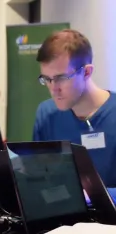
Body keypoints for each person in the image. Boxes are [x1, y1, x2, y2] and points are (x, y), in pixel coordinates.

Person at [32, 29, 116, 197]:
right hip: (63, 220)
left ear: (86, 72)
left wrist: (91, 196)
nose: (53, 89)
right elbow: (40, 179)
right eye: (46, 79)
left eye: (61, 78)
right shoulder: (46, 114)